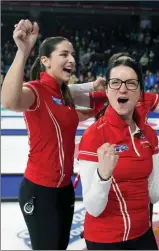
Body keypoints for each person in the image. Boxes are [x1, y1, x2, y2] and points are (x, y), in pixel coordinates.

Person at [76, 58, 159, 250]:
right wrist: (103, 176)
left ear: (140, 92)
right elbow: (93, 208)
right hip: (105, 240)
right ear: (107, 90)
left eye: (131, 83)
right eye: (115, 83)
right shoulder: (94, 136)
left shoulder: (149, 134)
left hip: (143, 235)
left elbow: (153, 194)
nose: (123, 89)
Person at [0, 19, 98, 250]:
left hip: (65, 190)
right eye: (64, 54)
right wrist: (23, 51)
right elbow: (9, 101)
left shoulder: (63, 95)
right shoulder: (35, 90)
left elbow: (73, 117)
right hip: (39, 192)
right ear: (45, 61)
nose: (71, 60)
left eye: (73, 54)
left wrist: (104, 104)